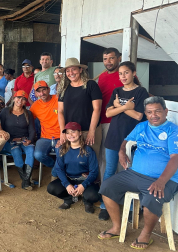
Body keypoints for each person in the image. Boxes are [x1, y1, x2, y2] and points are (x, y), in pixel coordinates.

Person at [98, 97, 178, 249]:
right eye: (149, 112)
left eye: (157, 111)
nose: (153, 115)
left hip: (165, 179)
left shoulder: (173, 131)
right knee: (107, 187)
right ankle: (116, 227)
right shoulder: (141, 127)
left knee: (151, 199)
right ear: (145, 114)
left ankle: (146, 234)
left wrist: (161, 181)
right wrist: (122, 151)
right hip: (135, 174)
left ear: (166, 112)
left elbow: (175, 158)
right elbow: (126, 140)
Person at [98, 61, 149, 221]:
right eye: (120, 74)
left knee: (132, 173)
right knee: (109, 170)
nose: (123, 76)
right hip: (114, 136)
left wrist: (118, 107)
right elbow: (107, 113)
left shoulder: (141, 92)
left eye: (126, 72)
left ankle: (133, 207)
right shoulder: (117, 90)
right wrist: (126, 107)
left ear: (133, 73)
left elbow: (139, 116)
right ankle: (105, 204)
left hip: (133, 139)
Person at [47, 122, 100, 213]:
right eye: (67, 133)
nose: (70, 135)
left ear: (80, 133)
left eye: (73, 131)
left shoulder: (88, 150)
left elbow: (94, 171)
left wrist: (83, 185)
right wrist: (67, 185)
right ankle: (69, 199)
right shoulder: (62, 149)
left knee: (93, 195)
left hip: (84, 179)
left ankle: (87, 202)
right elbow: (59, 169)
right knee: (51, 187)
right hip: (70, 178)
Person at [57, 58, 102, 156]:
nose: (71, 73)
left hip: (88, 131)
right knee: (73, 163)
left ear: (80, 70)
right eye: (68, 71)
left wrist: (91, 131)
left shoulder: (91, 85)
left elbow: (97, 109)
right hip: (71, 134)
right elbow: (60, 111)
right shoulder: (64, 88)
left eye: (73, 69)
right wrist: (63, 132)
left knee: (91, 162)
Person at [0, 90, 35, 190]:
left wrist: (30, 140)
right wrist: (10, 138)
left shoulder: (28, 113)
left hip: (24, 140)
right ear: (14, 98)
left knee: (31, 150)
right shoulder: (5, 111)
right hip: (9, 140)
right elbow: (0, 128)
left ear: (25, 102)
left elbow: (32, 129)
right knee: (16, 150)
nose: (20, 100)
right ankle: (26, 181)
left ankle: (25, 181)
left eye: (23, 99)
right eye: (18, 97)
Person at [97, 48, 122, 184]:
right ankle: (106, 191)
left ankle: (120, 189)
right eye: (105, 59)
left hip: (121, 122)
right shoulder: (102, 76)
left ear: (119, 58)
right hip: (104, 121)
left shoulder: (125, 74)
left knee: (121, 156)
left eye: (111, 58)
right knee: (105, 158)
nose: (108, 62)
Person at [30, 81, 61, 178]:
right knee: (38, 155)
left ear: (48, 89)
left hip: (61, 136)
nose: (42, 93)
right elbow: (28, 121)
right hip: (45, 137)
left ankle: (54, 175)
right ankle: (57, 167)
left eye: (44, 90)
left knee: (63, 153)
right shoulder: (35, 106)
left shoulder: (59, 99)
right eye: (39, 91)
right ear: (36, 94)